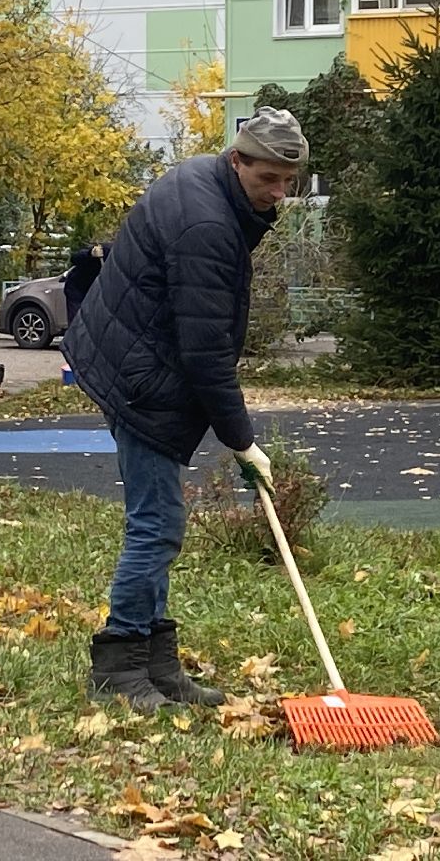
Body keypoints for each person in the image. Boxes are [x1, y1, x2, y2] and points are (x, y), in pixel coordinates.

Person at [61, 106, 308, 711]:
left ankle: (159, 665)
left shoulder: (206, 183)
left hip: (134, 352)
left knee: (159, 519)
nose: (278, 195)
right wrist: (243, 441)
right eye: (267, 179)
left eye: (288, 182)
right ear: (237, 161)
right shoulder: (207, 225)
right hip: (141, 377)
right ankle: (119, 666)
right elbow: (206, 353)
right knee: (157, 523)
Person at [64, 240, 111, 324]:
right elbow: (75, 257)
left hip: (94, 291)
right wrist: (91, 253)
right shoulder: (104, 250)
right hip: (77, 289)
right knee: (77, 322)